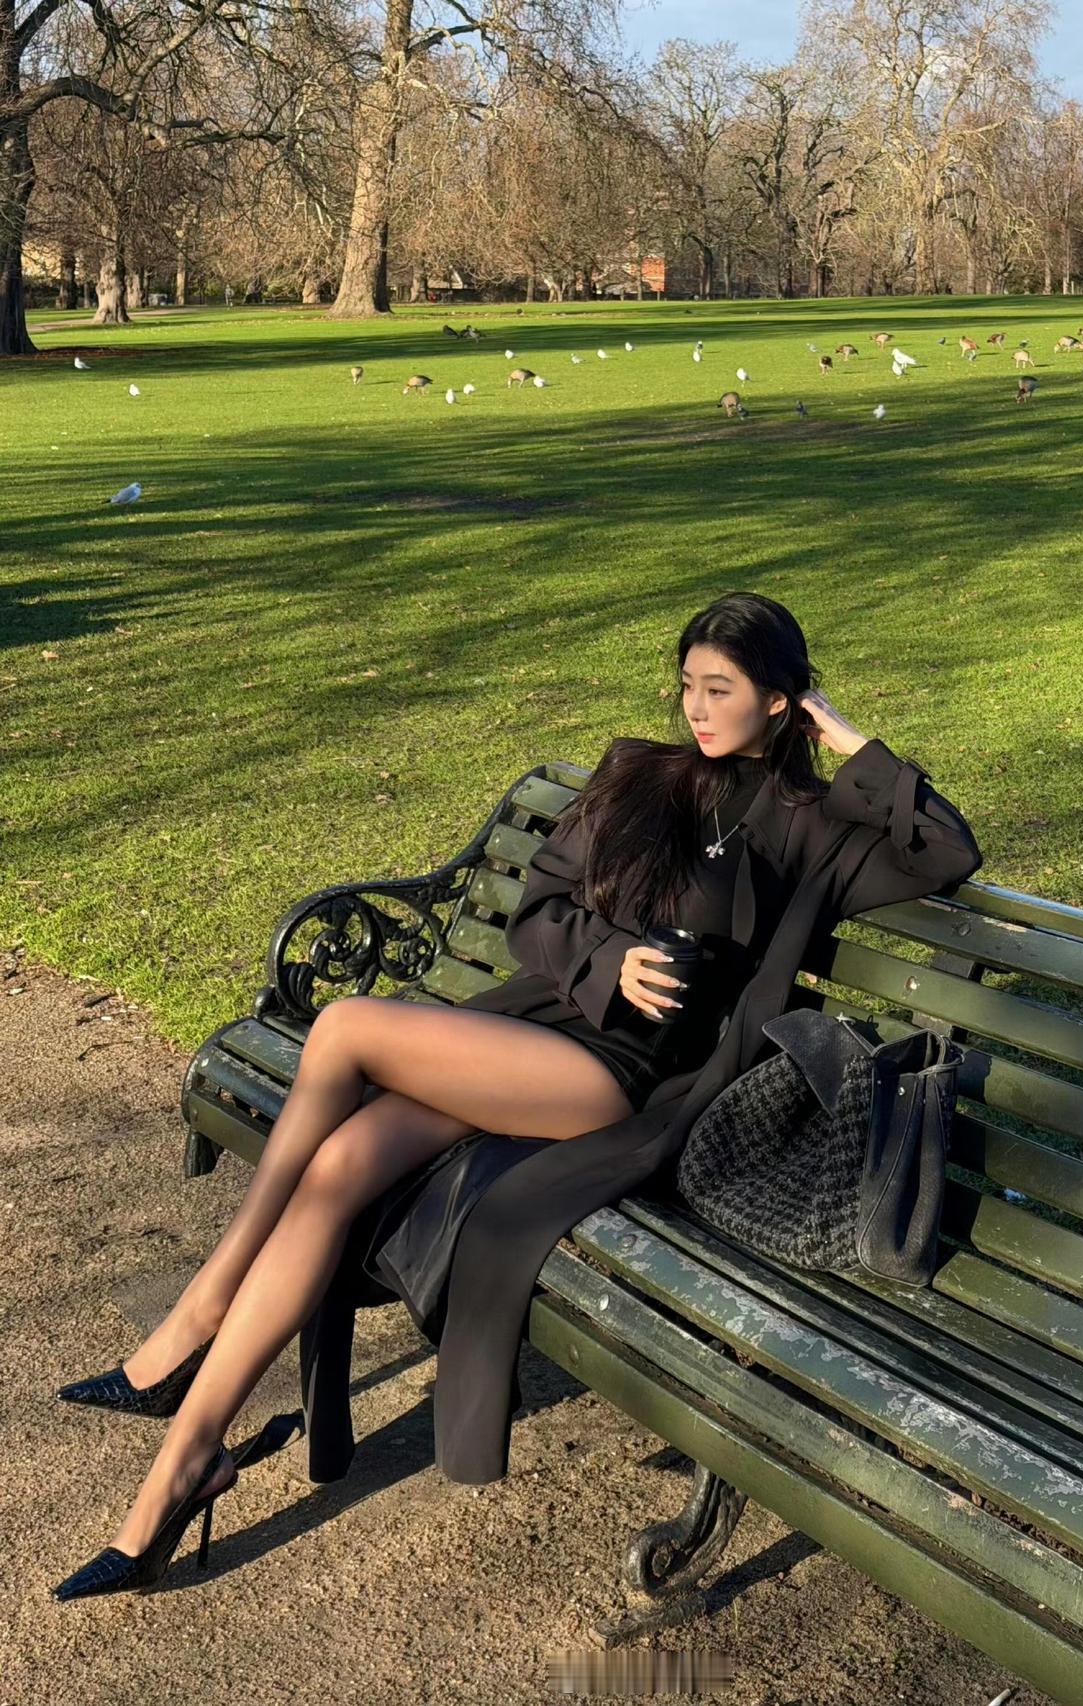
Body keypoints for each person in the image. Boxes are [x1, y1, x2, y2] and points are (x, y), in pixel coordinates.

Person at [50, 591, 984, 1599]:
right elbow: (536, 913)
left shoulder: (815, 826)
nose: (695, 707)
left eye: (720, 689)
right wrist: (613, 959)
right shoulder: (641, 775)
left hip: (622, 1079)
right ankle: (185, 1463)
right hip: (539, 1030)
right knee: (341, 1161)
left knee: (345, 1027)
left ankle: (196, 1316)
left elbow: (945, 849)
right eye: (686, 685)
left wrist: (843, 736)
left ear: (778, 699)